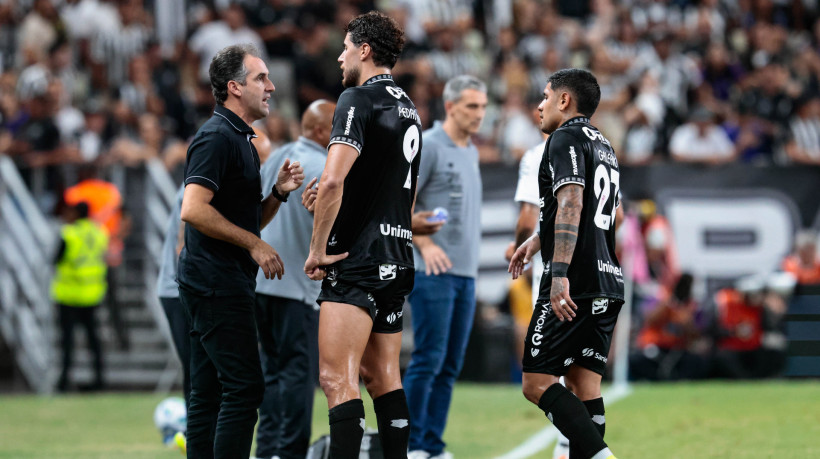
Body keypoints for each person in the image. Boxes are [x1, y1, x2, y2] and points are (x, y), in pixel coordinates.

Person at [177, 43, 304, 459]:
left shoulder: (243, 140)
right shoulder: (216, 137)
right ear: (234, 88)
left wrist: (278, 196)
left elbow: (244, 223)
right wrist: (254, 244)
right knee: (245, 388)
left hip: (216, 279)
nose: (270, 87)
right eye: (260, 79)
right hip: (215, 282)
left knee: (208, 390)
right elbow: (193, 210)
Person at [303, 11, 421, 459]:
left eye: (347, 47)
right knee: (383, 377)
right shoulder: (408, 107)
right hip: (397, 255)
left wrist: (317, 249)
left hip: (356, 259)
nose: (340, 55)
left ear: (365, 50)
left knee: (337, 379)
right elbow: (395, 190)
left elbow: (332, 180)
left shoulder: (357, 98)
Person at [509, 69, 622, 459]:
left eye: (545, 96)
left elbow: (572, 202)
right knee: (583, 387)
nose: (539, 105)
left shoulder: (564, 137)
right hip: (608, 281)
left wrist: (558, 274)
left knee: (536, 382)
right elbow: (599, 214)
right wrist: (537, 239)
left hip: (576, 281)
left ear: (564, 100)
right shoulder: (603, 144)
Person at [157, 129, 272, 411]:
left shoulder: (217, 182)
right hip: (182, 289)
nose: (262, 168)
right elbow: (185, 241)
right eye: (261, 160)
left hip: (190, 286)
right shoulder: (204, 185)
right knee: (203, 379)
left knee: (210, 379)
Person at [402, 75, 487, 459]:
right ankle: (413, 444)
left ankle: (432, 445)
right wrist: (423, 241)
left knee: (450, 364)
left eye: (483, 107)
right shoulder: (431, 146)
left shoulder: (470, 150)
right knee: (428, 359)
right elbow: (400, 202)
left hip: (465, 272)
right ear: (450, 106)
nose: (479, 114)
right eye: (471, 106)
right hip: (431, 270)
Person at [254, 99, 336, 459]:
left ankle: (267, 448)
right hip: (298, 288)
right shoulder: (327, 167)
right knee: (299, 377)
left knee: (271, 374)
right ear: (320, 131)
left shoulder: (279, 156)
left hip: (262, 283)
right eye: (338, 124)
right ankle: (290, 453)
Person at [52, 201, 108, 392]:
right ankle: (100, 380)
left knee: (67, 341)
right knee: (94, 340)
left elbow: (56, 260)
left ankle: (64, 381)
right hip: (92, 293)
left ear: (75, 213)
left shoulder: (68, 233)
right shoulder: (99, 232)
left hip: (69, 294)